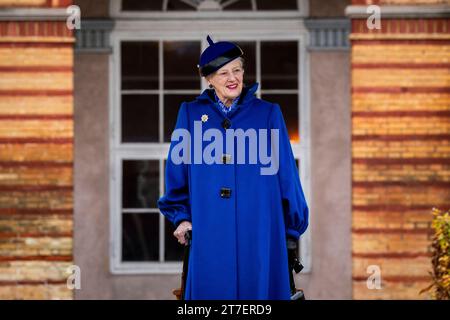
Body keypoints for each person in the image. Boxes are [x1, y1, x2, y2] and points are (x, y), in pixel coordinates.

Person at [157, 35, 309, 300]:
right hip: (209, 230)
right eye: (223, 72)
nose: (232, 78)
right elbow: (177, 170)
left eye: (237, 70)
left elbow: (286, 174)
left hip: (261, 230)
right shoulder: (191, 114)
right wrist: (180, 216)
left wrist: (291, 230)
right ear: (209, 79)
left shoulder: (268, 113)